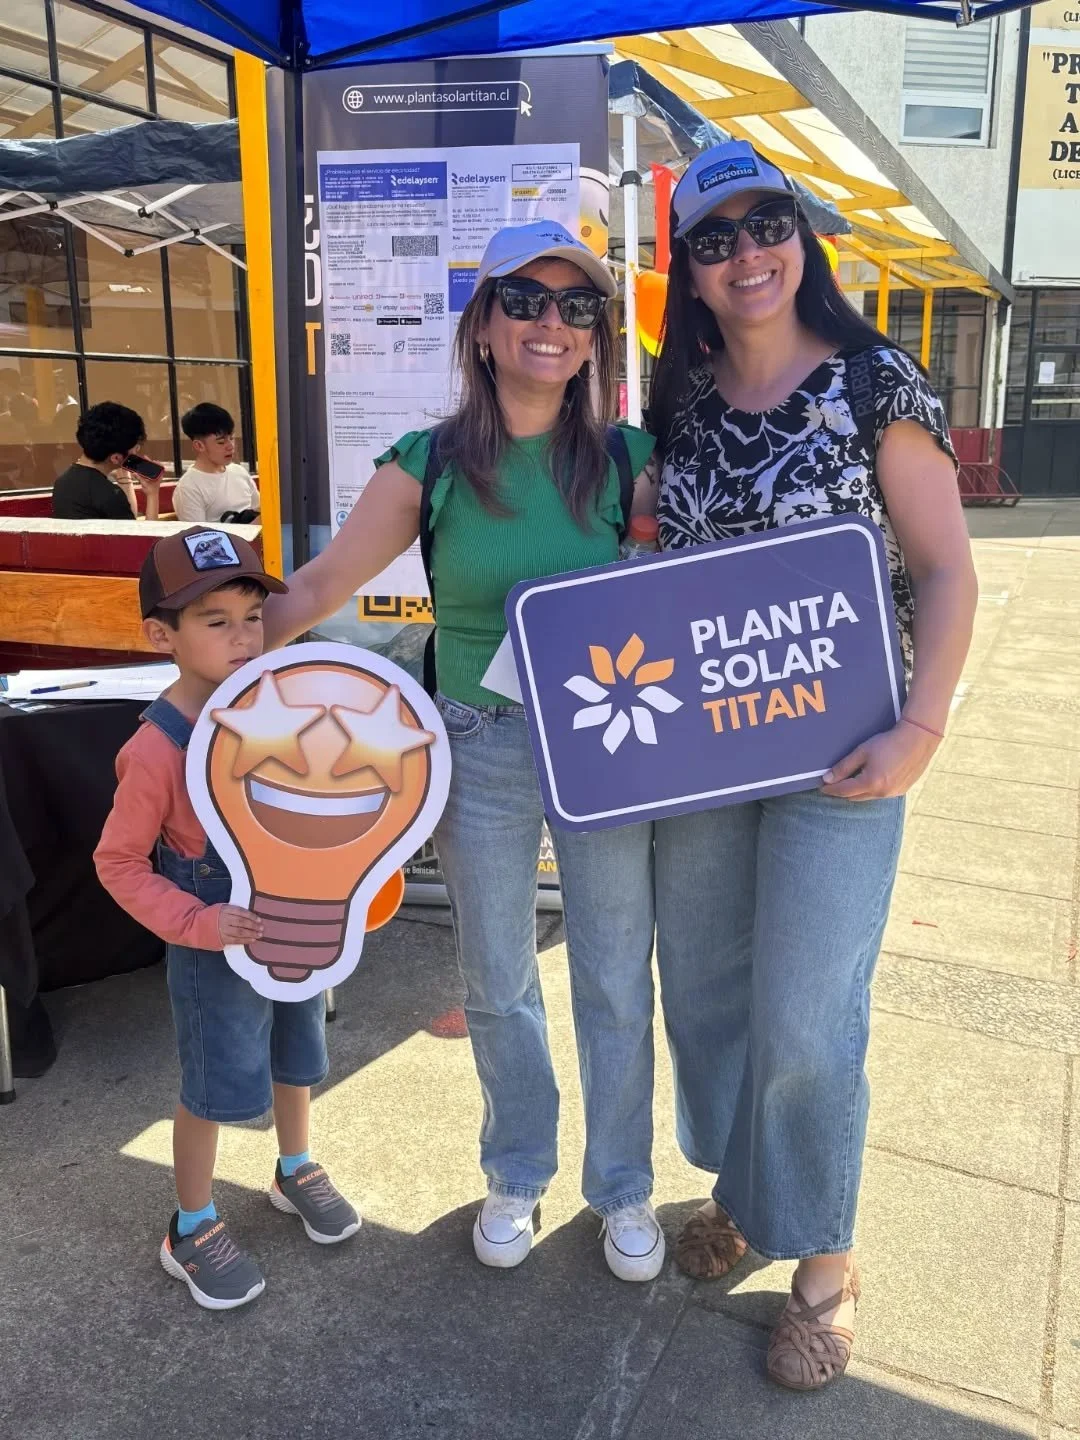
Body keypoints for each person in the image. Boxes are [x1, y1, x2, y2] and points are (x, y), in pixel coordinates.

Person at [261, 220, 664, 1281]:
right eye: (523, 300)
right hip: (475, 745)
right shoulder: (430, 462)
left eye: (577, 306)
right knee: (497, 975)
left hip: (605, 738)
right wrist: (213, 674)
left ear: (596, 336)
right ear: (483, 324)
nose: (550, 322)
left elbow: (674, 600)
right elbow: (319, 584)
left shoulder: (628, 460)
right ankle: (517, 1170)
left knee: (615, 974)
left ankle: (623, 1186)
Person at [648, 142, 977, 1388]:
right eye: (715, 238)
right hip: (702, 760)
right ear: (688, 269)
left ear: (802, 237)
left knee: (806, 1013)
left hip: (845, 758)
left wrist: (921, 728)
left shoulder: (875, 381)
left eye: (766, 225)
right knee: (710, 996)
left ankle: (826, 1261)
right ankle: (748, 1191)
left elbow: (944, 568)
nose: (747, 254)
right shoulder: (678, 403)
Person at [94, 528, 360, 1310]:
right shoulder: (155, 749)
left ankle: (294, 1166)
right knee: (213, 1081)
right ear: (162, 636)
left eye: (252, 617)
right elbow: (118, 863)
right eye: (216, 622)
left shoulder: (273, 710)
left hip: (291, 919)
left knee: (296, 1050)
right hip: (212, 938)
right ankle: (191, 1224)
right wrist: (198, 923)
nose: (244, 637)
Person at [52, 402, 160, 521]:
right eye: (136, 448)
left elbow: (127, 522)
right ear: (116, 458)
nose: (136, 453)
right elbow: (143, 533)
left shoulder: (62, 482)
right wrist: (153, 493)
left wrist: (124, 476)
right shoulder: (109, 494)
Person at [174, 402, 261, 523]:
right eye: (221, 442)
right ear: (199, 446)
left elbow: (259, 509)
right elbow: (198, 533)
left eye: (231, 438)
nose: (230, 446)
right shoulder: (189, 487)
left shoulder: (239, 472)